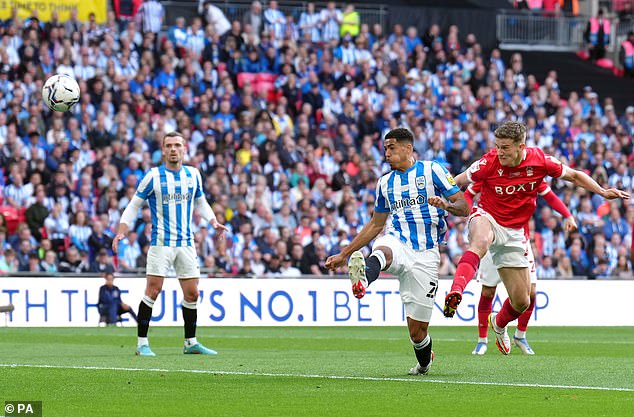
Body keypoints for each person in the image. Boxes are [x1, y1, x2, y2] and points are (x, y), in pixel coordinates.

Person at [442, 121, 629, 355]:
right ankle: (456, 290)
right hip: (487, 216)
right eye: (498, 146)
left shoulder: (540, 161)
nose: (500, 152)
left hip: (515, 232)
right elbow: (457, 181)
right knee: (480, 241)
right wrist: (438, 197)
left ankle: (499, 324)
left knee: (522, 301)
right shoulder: (488, 162)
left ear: (521, 147)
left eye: (505, 148)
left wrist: (601, 191)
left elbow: (573, 175)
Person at [325, 128, 469, 375]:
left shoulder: (432, 170)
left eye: (391, 148)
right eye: (385, 149)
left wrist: (446, 204)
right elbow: (376, 224)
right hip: (398, 239)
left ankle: (424, 361)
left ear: (408, 148)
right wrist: (345, 253)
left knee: (417, 332)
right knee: (383, 249)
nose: (387, 153)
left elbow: (464, 206)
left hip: (426, 253)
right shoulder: (385, 183)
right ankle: (362, 280)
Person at [113, 131, 228, 357]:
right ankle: (142, 344)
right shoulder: (153, 176)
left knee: (192, 293)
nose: (173, 149)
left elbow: (200, 202)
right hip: (161, 243)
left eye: (177, 145)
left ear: (185, 149)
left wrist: (213, 221)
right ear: (163, 150)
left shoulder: (193, 175)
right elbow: (134, 205)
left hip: (186, 243)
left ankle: (190, 342)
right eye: (169, 146)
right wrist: (121, 230)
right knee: (153, 291)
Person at [465, 180, 578, 355]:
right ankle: (482, 340)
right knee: (488, 291)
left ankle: (520, 335)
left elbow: (550, 196)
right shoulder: (491, 170)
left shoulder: (530, 172)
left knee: (531, 292)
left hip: (519, 239)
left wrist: (567, 215)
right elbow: (468, 192)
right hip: (491, 239)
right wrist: (473, 222)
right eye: (501, 150)